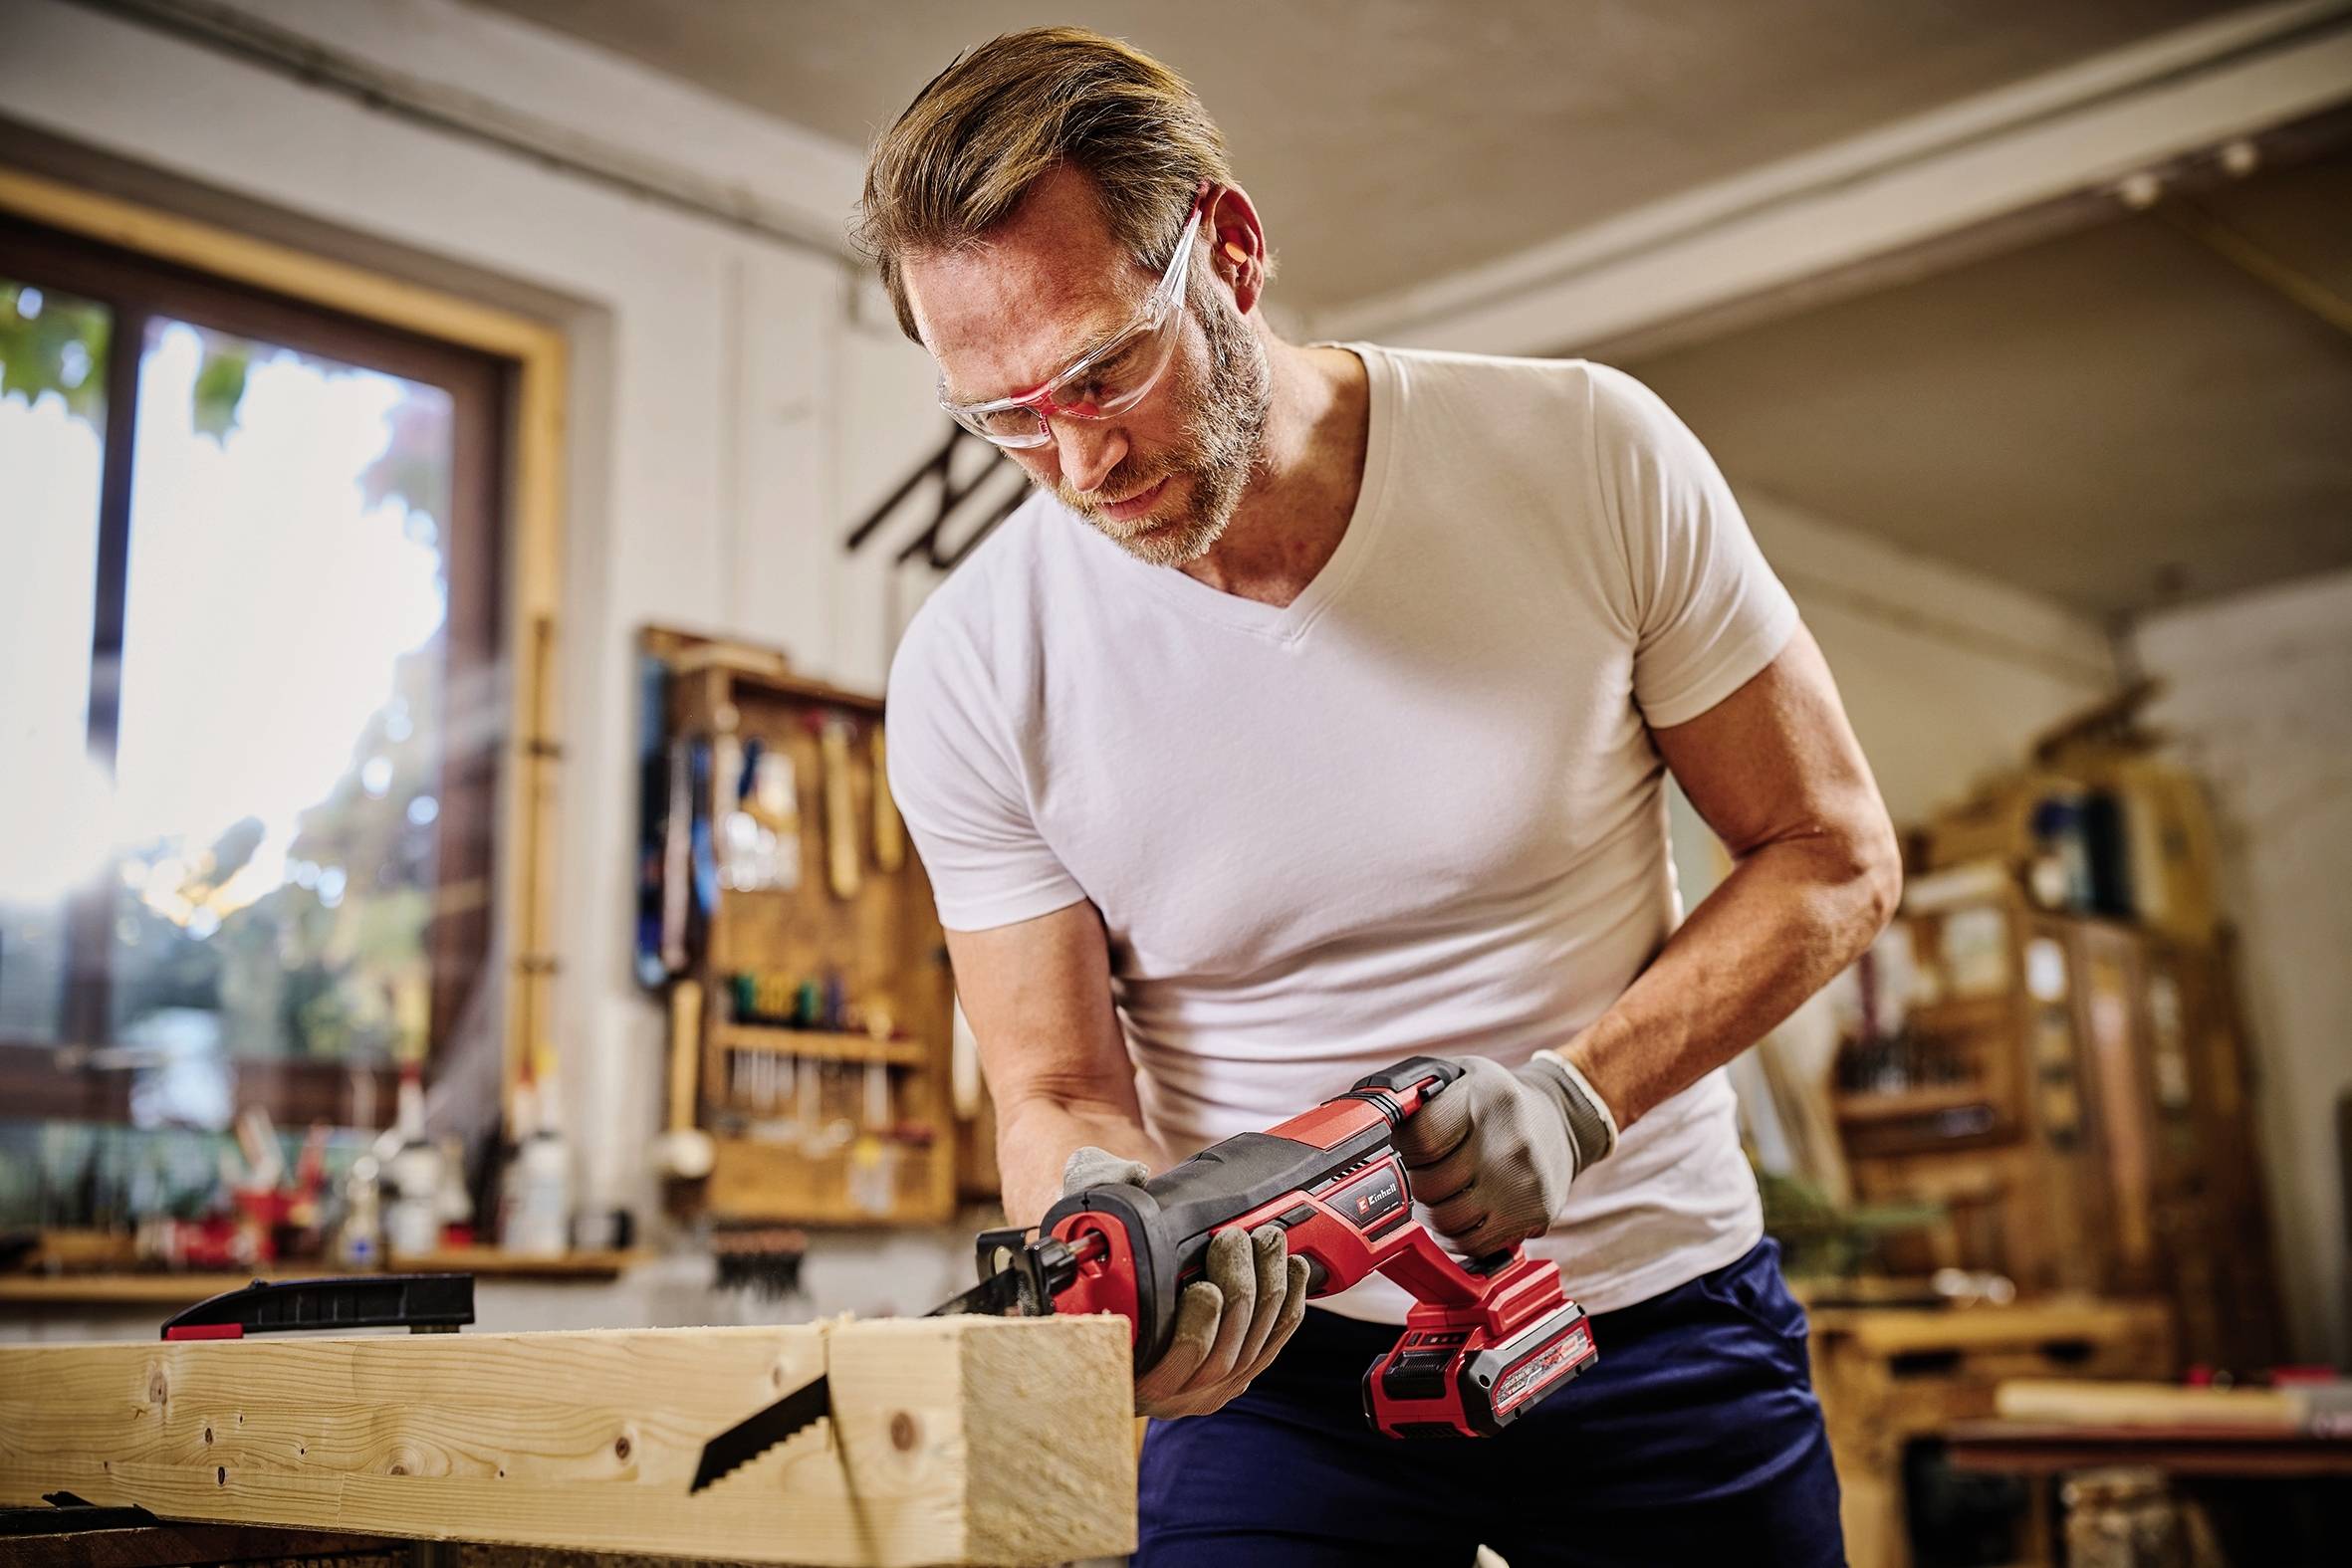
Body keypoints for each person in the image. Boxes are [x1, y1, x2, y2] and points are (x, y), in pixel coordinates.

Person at [861, 27, 1898, 1566]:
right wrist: (1123, 1268)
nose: (1075, 463)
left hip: (1657, 1312)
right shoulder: (969, 668)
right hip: (1273, 1378)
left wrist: (1578, 1095)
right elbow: (1060, 1088)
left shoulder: (1585, 456)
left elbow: (1827, 856)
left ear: (1229, 245)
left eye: (1101, 371)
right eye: (1002, 416)